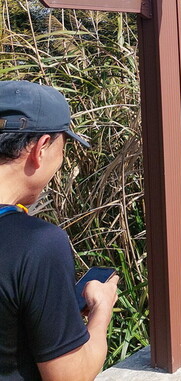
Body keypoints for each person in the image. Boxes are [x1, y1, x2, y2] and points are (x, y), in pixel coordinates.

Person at [0, 80, 119, 381]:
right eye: (63, 149)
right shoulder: (38, 244)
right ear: (40, 149)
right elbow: (69, 376)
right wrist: (101, 310)